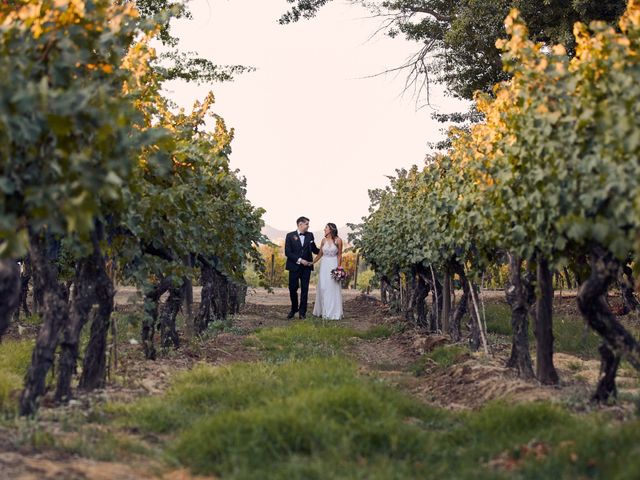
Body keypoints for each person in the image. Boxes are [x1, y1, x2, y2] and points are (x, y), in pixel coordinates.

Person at [284, 216, 319, 319]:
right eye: (307, 224)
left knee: (305, 290)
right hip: (294, 267)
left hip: (306, 268)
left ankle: (302, 313)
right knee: (292, 289)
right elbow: (288, 252)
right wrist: (300, 260)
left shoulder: (310, 235)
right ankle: (294, 308)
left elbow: (314, 249)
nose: (308, 226)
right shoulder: (290, 236)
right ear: (300, 224)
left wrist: (325, 248)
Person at [312, 223, 343, 320]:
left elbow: (339, 255)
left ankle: (333, 312)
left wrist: (338, 268)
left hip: (333, 265)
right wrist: (311, 262)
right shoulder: (323, 240)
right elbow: (320, 254)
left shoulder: (338, 240)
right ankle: (323, 311)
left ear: (331, 229)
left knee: (332, 287)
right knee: (323, 287)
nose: (324, 229)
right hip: (324, 266)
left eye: (326, 228)